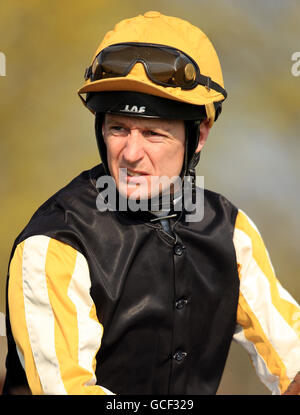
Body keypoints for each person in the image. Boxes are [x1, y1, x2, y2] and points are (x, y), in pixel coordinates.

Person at [3, 11, 300, 395]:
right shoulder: (53, 243)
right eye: (118, 128)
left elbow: (291, 358)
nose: (131, 152)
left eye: (153, 133)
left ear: (200, 134)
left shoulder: (232, 232)